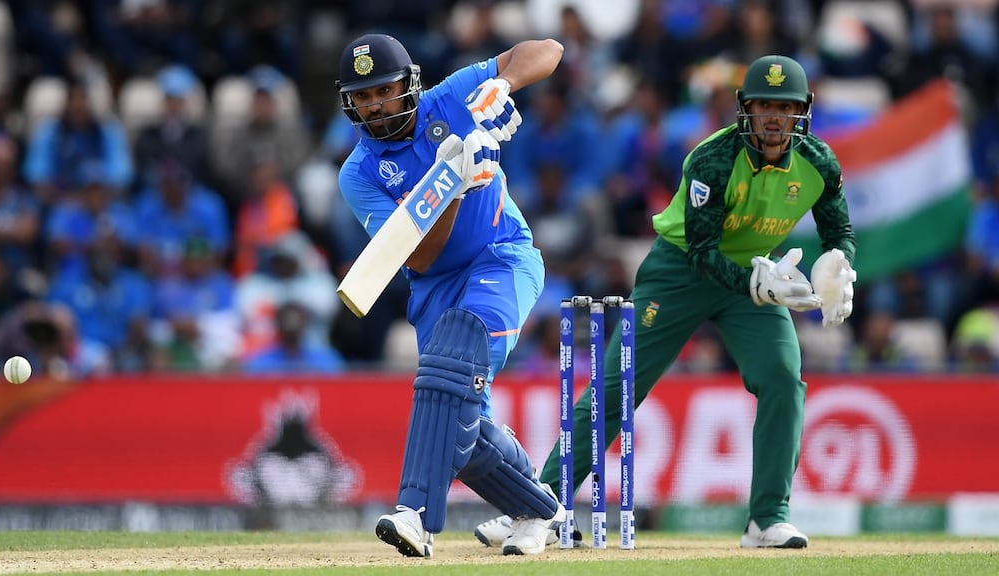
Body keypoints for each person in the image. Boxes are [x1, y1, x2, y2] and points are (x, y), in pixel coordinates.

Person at [476, 54, 857, 549]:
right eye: (763, 106)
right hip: (680, 272)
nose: (773, 119)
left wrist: (839, 266)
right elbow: (701, 252)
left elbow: (840, 232)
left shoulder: (819, 162)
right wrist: (754, 285)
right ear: (745, 109)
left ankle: (768, 517)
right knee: (618, 386)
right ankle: (540, 503)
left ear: (803, 111)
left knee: (784, 378)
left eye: (783, 109)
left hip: (759, 277)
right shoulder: (713, 160)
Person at [335, 33, 565, 557]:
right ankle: (540, 509)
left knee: (453, 358)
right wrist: (456, 182)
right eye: (363, 96)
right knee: (460, 428)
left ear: (408, 85)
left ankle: (414, 513)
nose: (375, 105)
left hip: (501, 257)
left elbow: (548, 49)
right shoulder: (359, 173)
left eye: (384, 90)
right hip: (434, 284)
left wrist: (503, 84)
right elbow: (417, 258)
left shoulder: (451, 97)